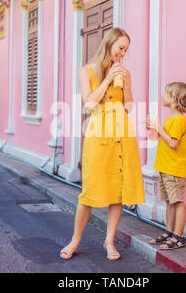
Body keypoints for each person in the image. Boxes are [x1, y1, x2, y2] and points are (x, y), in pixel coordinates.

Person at [60, 28, 145, 261]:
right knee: (89, 191)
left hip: (122, 133)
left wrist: (126, 85)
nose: (123, 53)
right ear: (109, 44)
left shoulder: (125, 72)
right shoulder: (86, 71)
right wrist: (107, 79)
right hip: (99, 133)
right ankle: (75, 240)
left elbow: (129, 106)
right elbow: (89, 103)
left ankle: (109, 241)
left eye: (126, 50)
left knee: (117, 192)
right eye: (120, 48)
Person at [146, 82, 186, 250]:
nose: (162, 96)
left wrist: (158, 127)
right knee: (169, 202)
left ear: (174, 98)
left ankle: (179, 236)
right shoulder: (169, 119)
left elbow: (173, 143)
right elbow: (164, 139)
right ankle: (170, 232)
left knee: (178, 201)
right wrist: (155, 129)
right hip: (165, 167)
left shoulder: (179, 120)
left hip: (174, 169)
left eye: (166, 94)